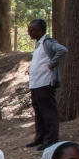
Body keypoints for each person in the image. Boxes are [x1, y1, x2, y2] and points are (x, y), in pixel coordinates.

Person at [26, 18, 67, 150]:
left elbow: (62, 50)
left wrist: (52, 63)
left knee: (49, 112)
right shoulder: (38, 45)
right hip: (36, 84)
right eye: (28, 30)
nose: (29, 32)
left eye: (32, 30)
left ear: (41, 30)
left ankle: (51, 139)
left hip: (45, 83)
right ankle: (40, 138)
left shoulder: (48, 42)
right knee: (38, 112)